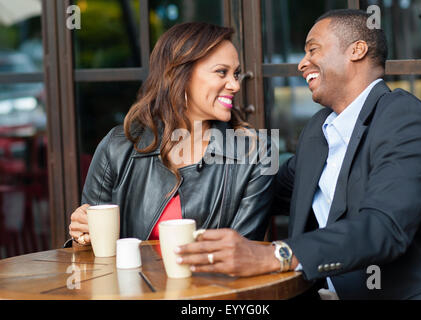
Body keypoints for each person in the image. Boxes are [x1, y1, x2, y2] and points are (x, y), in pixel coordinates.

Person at [177, 10, 421, 300]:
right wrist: (194, 136)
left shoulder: (404, 118)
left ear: (357, 50)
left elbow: (384, 228)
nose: (302, 62)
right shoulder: (319, 129)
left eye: (313, 49)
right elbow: (264, 188)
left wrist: (276, 255)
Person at [66, 22, 275, 247]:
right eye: (221, 72)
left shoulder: (256, 152)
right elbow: (92, 250)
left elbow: (240, 254)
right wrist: (82, 236)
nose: (235, 85)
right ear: (180, 75)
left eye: (236, 74)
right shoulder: (117, 146)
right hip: (126, 281)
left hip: (212, 282)